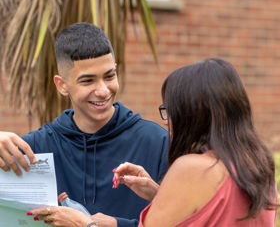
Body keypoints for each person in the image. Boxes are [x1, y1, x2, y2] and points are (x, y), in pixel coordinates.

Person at [0, 22, 168, 227]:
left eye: (109, 76)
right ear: (62, 85)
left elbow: (183, 221)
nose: (103, 91)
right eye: (88, 81)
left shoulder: (158, 142)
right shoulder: (35, 147)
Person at [111, 58, 278, 226]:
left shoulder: (192, 168)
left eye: (170, 110)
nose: (166, 121)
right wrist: (159, 194)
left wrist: (90, 223)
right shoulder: (260, 169)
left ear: (190, 114)